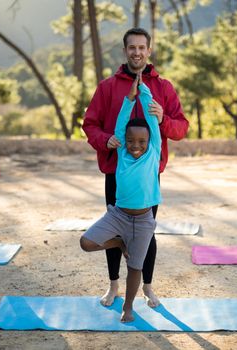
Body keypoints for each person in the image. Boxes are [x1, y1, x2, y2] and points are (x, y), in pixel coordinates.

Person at [82, 27, 189, 308]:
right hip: (115, 173)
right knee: (114, 232)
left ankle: (148, 287)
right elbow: (89, 124)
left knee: (146, 233)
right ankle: (113, 285)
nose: (137, 52)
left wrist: (164, 119)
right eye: (132, 48)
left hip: (149, 178)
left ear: (149, 50)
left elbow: (182, 127)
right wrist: (106, 141)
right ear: (125, 50)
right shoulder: (107, 87)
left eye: (142, 47)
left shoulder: (163, 88)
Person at [81, 73, 161, 322]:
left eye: (141, 141)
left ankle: (128, 307)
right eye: (131, 141)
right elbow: (120, 124)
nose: (136, 145)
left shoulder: (153, 151)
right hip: (118, 215)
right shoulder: (123, 153)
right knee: (86, 243)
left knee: (135, 267)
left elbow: (151, 122)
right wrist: (129, 98)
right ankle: (119, 243)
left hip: (144, 220)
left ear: (149, 142)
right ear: (125, 143)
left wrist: (144, 91)